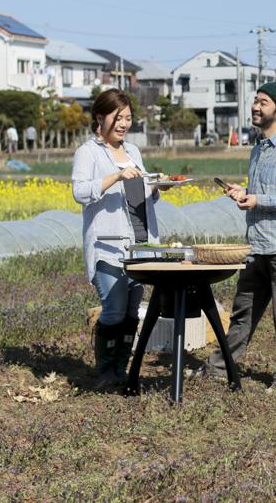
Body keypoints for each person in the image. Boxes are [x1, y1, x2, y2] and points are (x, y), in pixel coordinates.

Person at [205, 82, 276, 393]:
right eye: (255, 101)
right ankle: (219, 365)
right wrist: (245, 194)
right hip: (257, 247)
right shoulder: (257, 149)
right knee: (243, 312)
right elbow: (262, 194)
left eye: (263, 102)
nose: (256, 107)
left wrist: (259, 200)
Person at [71, 89, 172, 386]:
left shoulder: (133, 153)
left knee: (130, 313)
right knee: (113, 309)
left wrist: (156, 189)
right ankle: (105, 372)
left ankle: (120, 370)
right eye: (118, 117)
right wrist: (116, 176)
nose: (124, 123)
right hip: (108, 247)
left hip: (140, 246)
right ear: (100, 118)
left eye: (128, 118)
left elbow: (139, 197)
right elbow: (80, 192)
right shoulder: (87, 153)